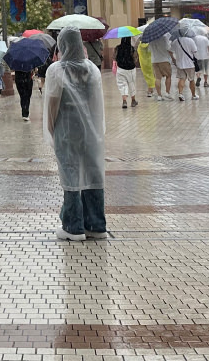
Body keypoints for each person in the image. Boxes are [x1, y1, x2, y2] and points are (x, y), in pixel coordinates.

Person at [45, 28, 107, 241]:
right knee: (93, 174)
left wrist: (52, 130)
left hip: (67, 130)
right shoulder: (91, 69)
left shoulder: (56, 70)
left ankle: (73, 227)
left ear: (62, 45)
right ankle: (96, 225)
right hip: (91, 132)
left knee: (70, 176)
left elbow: (52, 105)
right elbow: (96, 103)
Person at [170, 29, 200, 101]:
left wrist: (174, 59)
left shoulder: (175, 42)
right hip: (189, 64)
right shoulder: (190, 40)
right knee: (191, 80)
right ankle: (193, 95)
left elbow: (170, 51)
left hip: (180, 64)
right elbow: (195, 50)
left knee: (181, 79)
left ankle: (180, 93)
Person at [148, 28, 174, 101]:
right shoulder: (164, 37)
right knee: (168, 76)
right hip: (164, 59)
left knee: (157, 78)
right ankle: (167, 92)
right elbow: (169, 48)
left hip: (154, 60)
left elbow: (149, 50)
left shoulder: (151, 39)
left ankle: (159, 95)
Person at [114, 37, 139, 110]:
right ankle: (133, 101)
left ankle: (124, 101)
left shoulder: (117, 48)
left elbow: (114, 57)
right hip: (130, 69)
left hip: (121, 68)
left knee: (122, 84)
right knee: (132, 83)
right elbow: (135, 58)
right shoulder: (132, 48)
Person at [135, 19, 156, 98]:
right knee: (154, 75)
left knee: (148, 76)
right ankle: (154, 89)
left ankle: (150, 89)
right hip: (153, 60)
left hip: (144, 62)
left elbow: (137, 51)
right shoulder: (151, 42)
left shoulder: (140, 44)